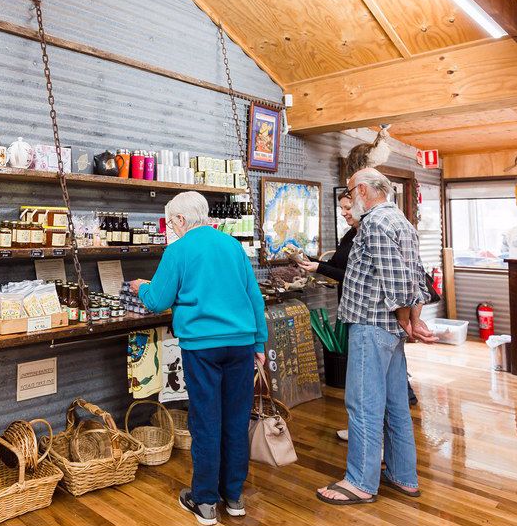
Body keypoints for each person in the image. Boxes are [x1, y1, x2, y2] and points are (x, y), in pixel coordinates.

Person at [130, 191, 267, 526]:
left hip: (202, 348)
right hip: (241, 345)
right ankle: (234, 497)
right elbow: (254, 297)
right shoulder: (233, 246)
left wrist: (141, 287)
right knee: (236, 419)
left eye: (171, 223)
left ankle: (204, 501)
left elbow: (158, 299)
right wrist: (260, 342)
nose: (171, 230)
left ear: (179, 219)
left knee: (206, 421)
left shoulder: (178, 250)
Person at [316, 168, 437, 506]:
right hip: (391, 329)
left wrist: (406, 322)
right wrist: (412, 321)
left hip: (372, 326)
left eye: (351, 190)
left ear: (365, 190)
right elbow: (416, 276)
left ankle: (360, 482)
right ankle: (403, 476)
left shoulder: (374, 222)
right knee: (395, 405)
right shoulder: (401, 221)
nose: (350, 199)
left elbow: (398, 284)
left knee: (363, 405)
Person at [297, 191, 358, 441]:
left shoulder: (366, 235)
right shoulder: (350, 235)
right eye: (341, 208)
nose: (343, 213)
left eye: (347, 208)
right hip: (349, 306)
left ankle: (370, 434)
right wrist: (308, 261)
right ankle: (358, 428)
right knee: (356, 377)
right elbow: (338, 266)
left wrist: (319, 267)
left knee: (364, 378)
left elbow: (355, 276)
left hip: (362, 310)